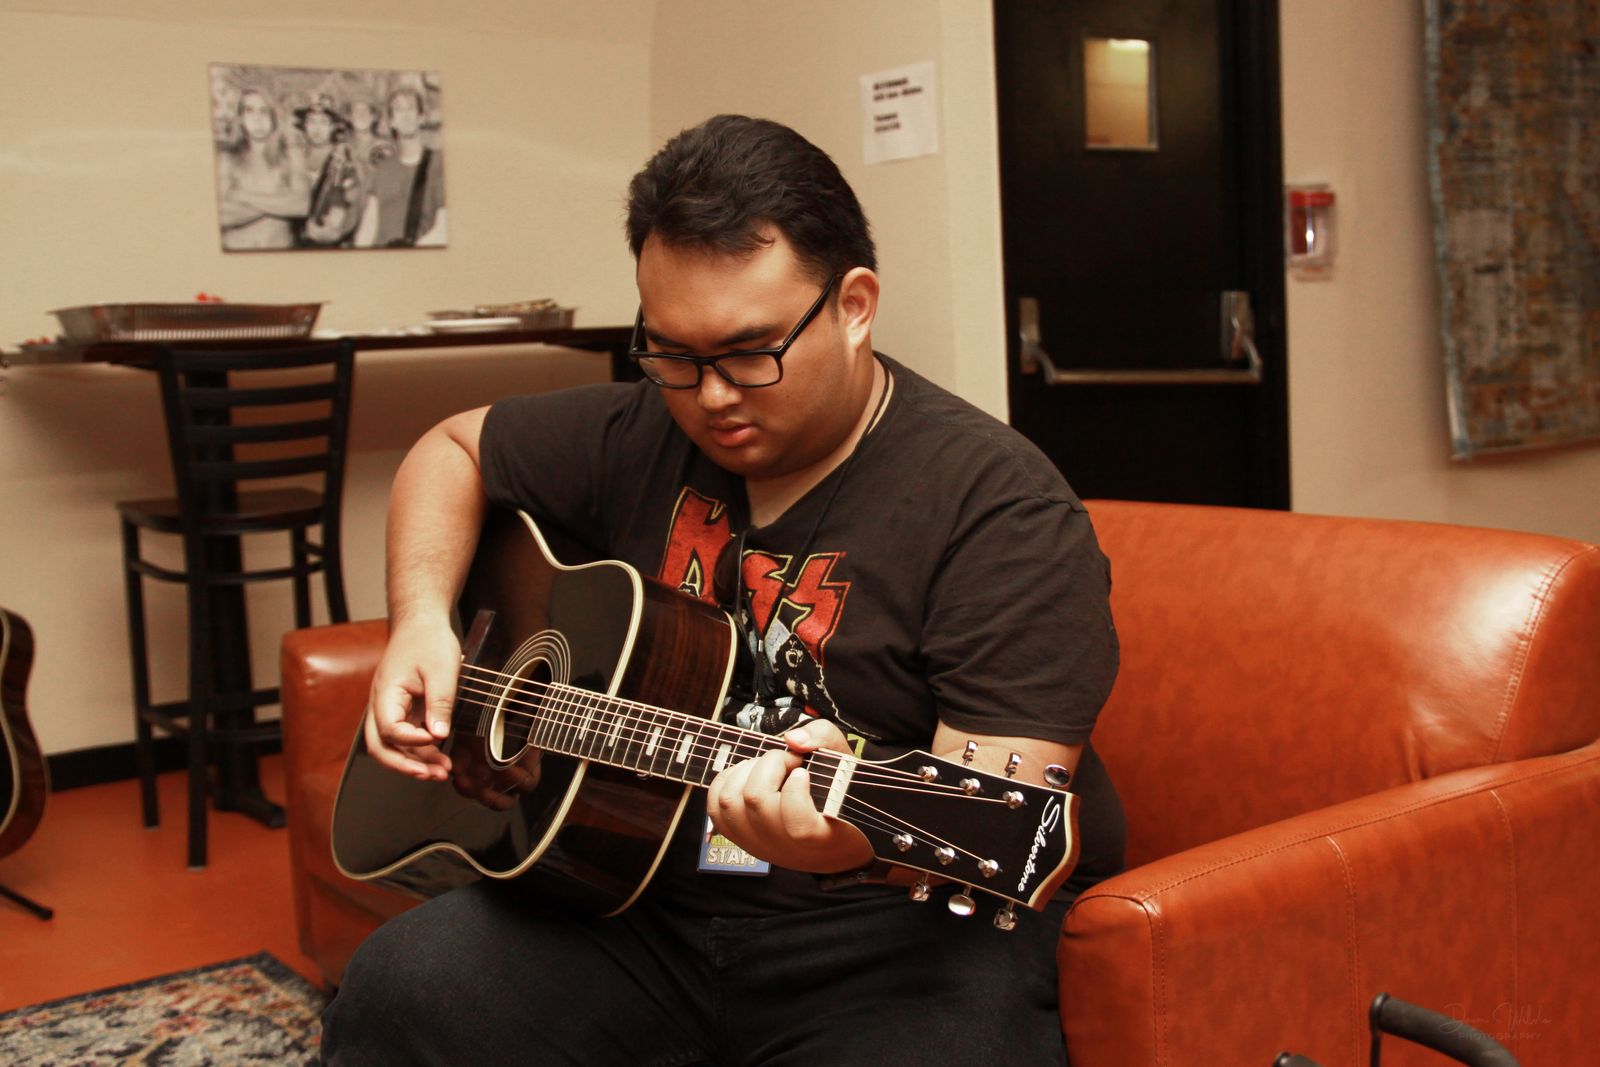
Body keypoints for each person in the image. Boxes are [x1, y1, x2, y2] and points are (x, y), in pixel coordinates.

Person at [321, 114, 1122, 1066]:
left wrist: (844, 842)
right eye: (672, 354)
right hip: (635, 902)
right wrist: (419, 620)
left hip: (887, 934)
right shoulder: (638, 429)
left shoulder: (1000, 510)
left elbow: (992, 805)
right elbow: (451, 448)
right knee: (400, 987)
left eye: (749, 352)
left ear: (854, 305)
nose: (709, 397)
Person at [214, 87, 310, 251]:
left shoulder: (291, 155)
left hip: (280, 251)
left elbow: (301, 206)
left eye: (264, 111)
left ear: (273, 116)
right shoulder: (226, 158)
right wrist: (281, 202)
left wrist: (240, 195)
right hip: (235, 252)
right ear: (240, 118)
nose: (257, 119)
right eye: (249, 111)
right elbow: (222, 217)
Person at [353, 86, 446, 247]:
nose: (405, 115)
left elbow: (444, 228)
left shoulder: (439, 163)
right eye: (398, 109)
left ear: (421, 117)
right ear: (391, 122)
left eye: (410, 108)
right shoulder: (382, 169)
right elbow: (368, 226)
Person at [292, 94, 365, 248]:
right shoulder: (296, 157)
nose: (317, 128)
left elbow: (354, 201)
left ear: (333, 126)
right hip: (296, 238)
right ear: (304, 125)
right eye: (312, 121)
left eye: (323, 122)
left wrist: (337, 231)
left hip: (328, 238)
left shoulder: (341, 158)